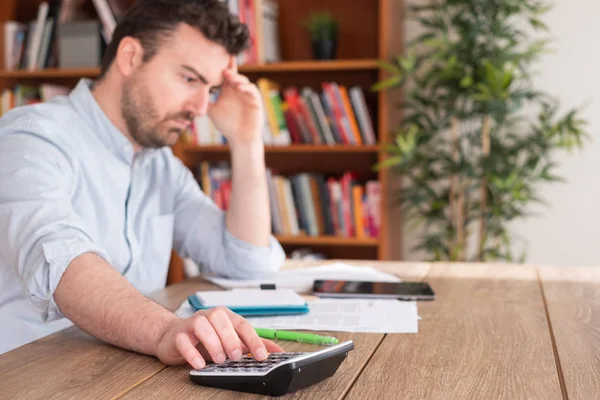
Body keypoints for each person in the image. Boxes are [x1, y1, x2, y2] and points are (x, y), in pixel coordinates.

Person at [0, 0, 287, 368]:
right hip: (31, 378)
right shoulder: (30, 138)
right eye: (189, 78)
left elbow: (246, 262)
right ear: (130, 56)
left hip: (123, 375)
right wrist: (166, 330)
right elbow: (60, 260)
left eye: (212, 89)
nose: (202, 108)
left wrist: (246, 142)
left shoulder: (160, 167)